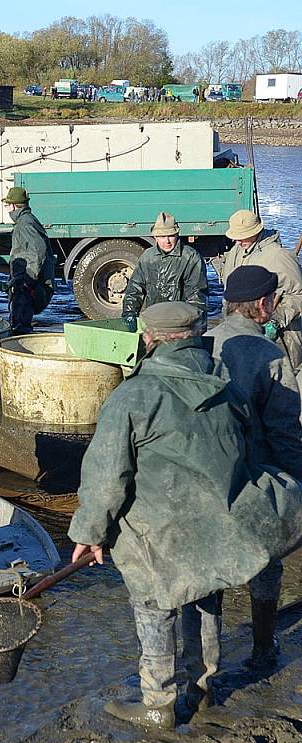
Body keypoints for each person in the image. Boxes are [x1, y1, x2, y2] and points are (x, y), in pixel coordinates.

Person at [67, 301, 301, 730]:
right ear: (195, 337)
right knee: (205, 600)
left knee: (155, 608)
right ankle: (203, 689)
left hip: (155, 533)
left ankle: (157, 702)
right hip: (213, 526)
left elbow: (106, 477)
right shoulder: (226, 390)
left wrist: (89, 532)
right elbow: (246, 457)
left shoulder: (133, 396)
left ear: (149, 339)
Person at [209, 265, 302, 665]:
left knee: (207, 569)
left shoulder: (200, 342)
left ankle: (204, 668)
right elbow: (286, 431)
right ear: (263, 306)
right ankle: (264, 647)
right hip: (255, 473)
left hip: (207, 477)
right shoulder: (268, 354)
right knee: (265, 561)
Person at [216, 209, 302, 386]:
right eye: (236, 236)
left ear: (256, 231)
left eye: (243, 236)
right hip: (241, 331)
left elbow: (299, 296)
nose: (238, 241)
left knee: (283, 386)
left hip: (280, 337)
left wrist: (276, 320)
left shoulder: (280, 256)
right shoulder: (236, 251)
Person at [122, 211, 208, 332]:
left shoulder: (191, 258)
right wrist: (129, 312)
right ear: (155, 237)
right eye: (162, 237)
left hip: (180, 324)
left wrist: (191, 327)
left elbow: (197, 297)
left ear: (177, 235)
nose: (167, 241)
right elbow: (135, 288)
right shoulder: (147, 257)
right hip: (154, 321)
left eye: (171, 236)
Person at [3, 186, 56, 333]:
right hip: (24, 282)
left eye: (7, 205)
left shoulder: (24, 224)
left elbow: (38, 252)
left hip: (25, 284)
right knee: (20, 321)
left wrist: (27, 280)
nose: (6, 209)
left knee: (21, 326)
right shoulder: (27, 220)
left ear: (13, 206)